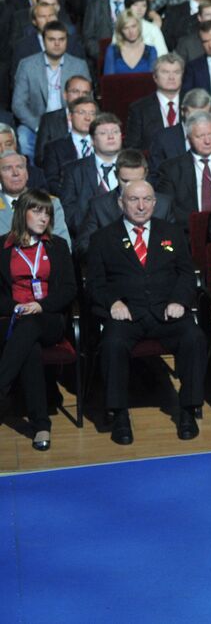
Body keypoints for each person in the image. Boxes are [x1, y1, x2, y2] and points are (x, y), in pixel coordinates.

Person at [85, 180, 206, 444]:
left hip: (167, 311)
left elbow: (187, 274)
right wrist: (113, 303)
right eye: (133, 200)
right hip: (127, 314)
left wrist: (180, 301)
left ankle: (187, 410)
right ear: (121, 203)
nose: (141, 206)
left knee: (194, 338)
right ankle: (118, 415)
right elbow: (95, 283)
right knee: (112, 345)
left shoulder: (172, 233)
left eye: (147, 200)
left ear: (155, 202)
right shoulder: (103, 238)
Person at [0, 190, 76, 451]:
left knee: (31, 327)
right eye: (38, 211)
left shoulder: (57, 246)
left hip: (48, 318)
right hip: (12, 318)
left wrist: (39, 306)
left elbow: (68, 289)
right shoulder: (2, 246)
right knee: (28, 347)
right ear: (22, 213)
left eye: (47, 213)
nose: (44, 218)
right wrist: (16, 306)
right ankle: (41, 425)